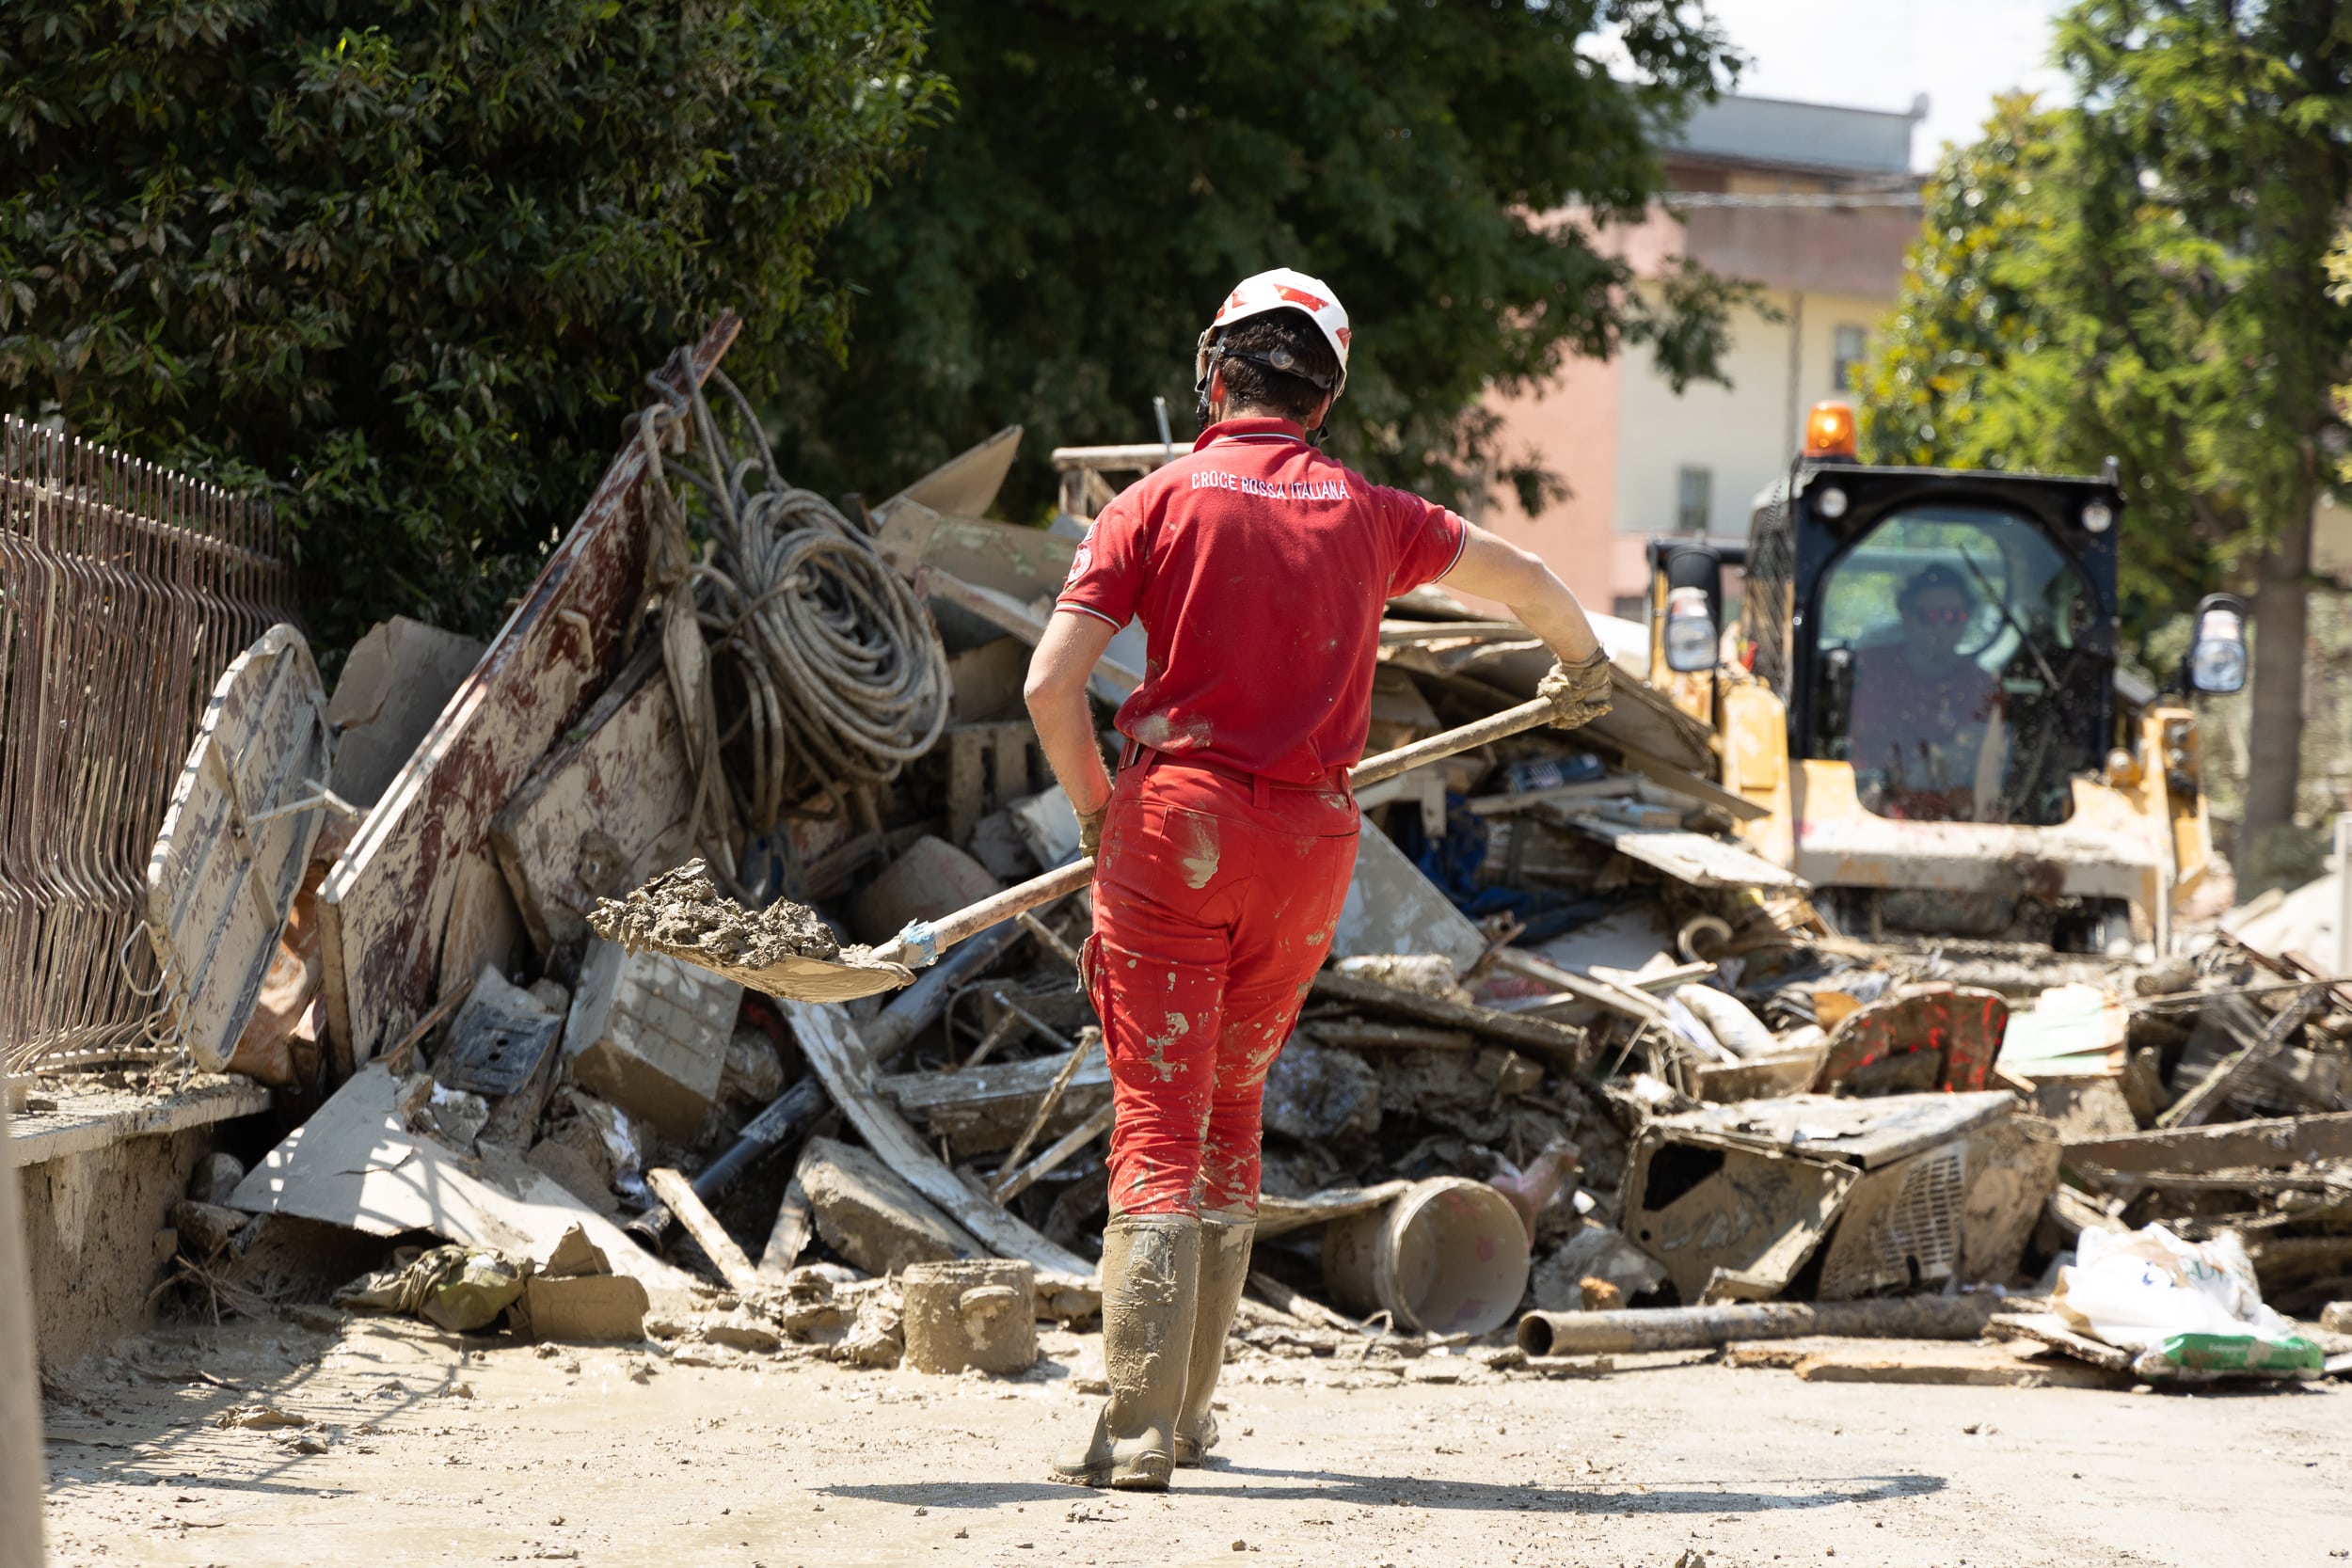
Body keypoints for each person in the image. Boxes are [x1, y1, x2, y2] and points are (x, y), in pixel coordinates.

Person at [1024, 267, 1612, 1491]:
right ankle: (1187, 1415)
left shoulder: (1156, 500)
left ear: (1214, 364)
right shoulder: (1374, 512)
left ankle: (1135, 1430)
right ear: (1325, 393)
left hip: (1173, 833)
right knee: (1231, 1110)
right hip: (1309, 853)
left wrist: (1095, 811)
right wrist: (1581, 663)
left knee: (1157, 1121)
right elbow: (1527, 582)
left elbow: (1045, 684)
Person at [1845, 562, 2004, 818]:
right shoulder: (1872, 669)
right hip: (1867, 807)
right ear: (1905, 616)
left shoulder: (1982, 687)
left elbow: (1986, 775)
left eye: (1954, 617)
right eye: (1930, 616)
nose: (1941, 628)